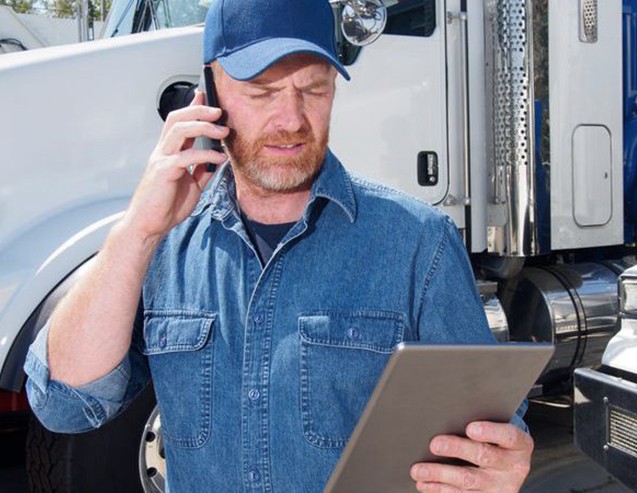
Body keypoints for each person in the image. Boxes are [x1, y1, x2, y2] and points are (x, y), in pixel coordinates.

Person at [24, 0, 534, 491]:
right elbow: (66, 404)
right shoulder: (162, 245)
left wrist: (498, 462)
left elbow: (484, 421)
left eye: (313, 89)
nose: (291, 119)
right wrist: (135, 233)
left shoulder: (419, 243)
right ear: (210, 93)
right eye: (263, 92)